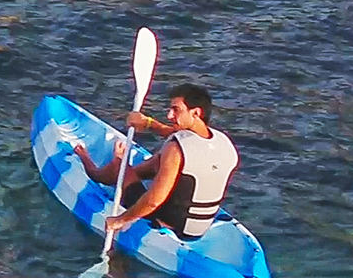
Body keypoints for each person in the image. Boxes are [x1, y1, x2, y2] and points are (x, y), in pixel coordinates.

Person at [73, 84, 238, 239]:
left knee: (122, 166)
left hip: (170, 224)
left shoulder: (175, 149)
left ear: (196, 113)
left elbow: (153, 201)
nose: (169, 115)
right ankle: (125, 172)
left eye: (176, 110)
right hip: (199, 227)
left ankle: (95, 171)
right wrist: (148, 123)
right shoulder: (224, 142)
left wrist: (119, 220)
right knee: (161, 161)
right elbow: (178, 135)